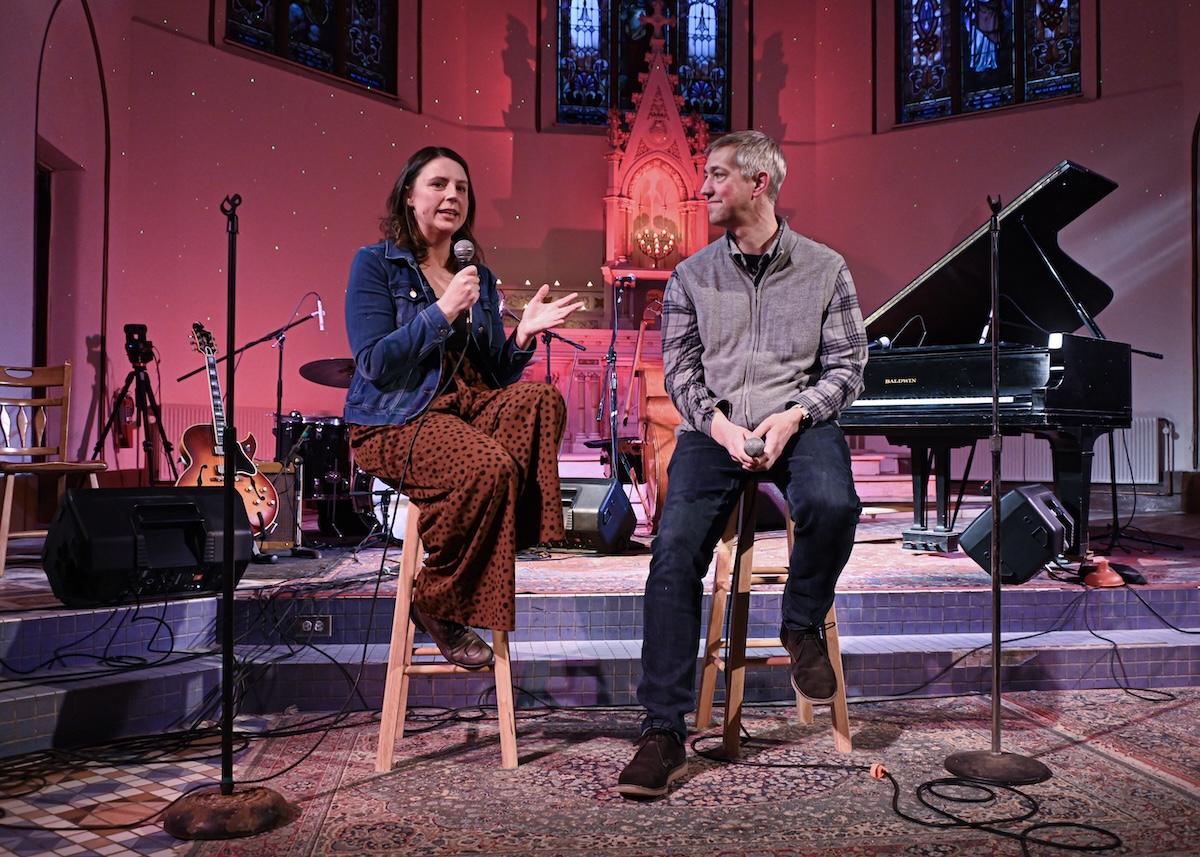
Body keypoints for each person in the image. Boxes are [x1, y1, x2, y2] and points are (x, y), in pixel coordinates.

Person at [616, 130, 868, 799]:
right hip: (717, 426)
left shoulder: (826, 267)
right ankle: (662, 731)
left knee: (835, 503)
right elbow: (682, 372)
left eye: (719, 174)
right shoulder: (692, 275)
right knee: (672, 548)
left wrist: (794, 416)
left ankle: (801, 619)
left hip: (797, 418)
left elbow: (849, 367)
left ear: (760, 182)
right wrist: (722, 426)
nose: (704, 187)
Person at [344, 145, 584, 668]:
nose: (452, 195)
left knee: (539, 398)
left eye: (462, 187)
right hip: (399, 418)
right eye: (438, 184)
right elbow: (372, 362)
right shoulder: (376, 264)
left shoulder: (479, 273)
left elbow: (495, 373)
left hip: (467, 409)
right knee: (490, 466)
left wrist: (523, 335)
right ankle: (435, 599)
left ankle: (500, 539)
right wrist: (441, 311)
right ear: (409, 196)